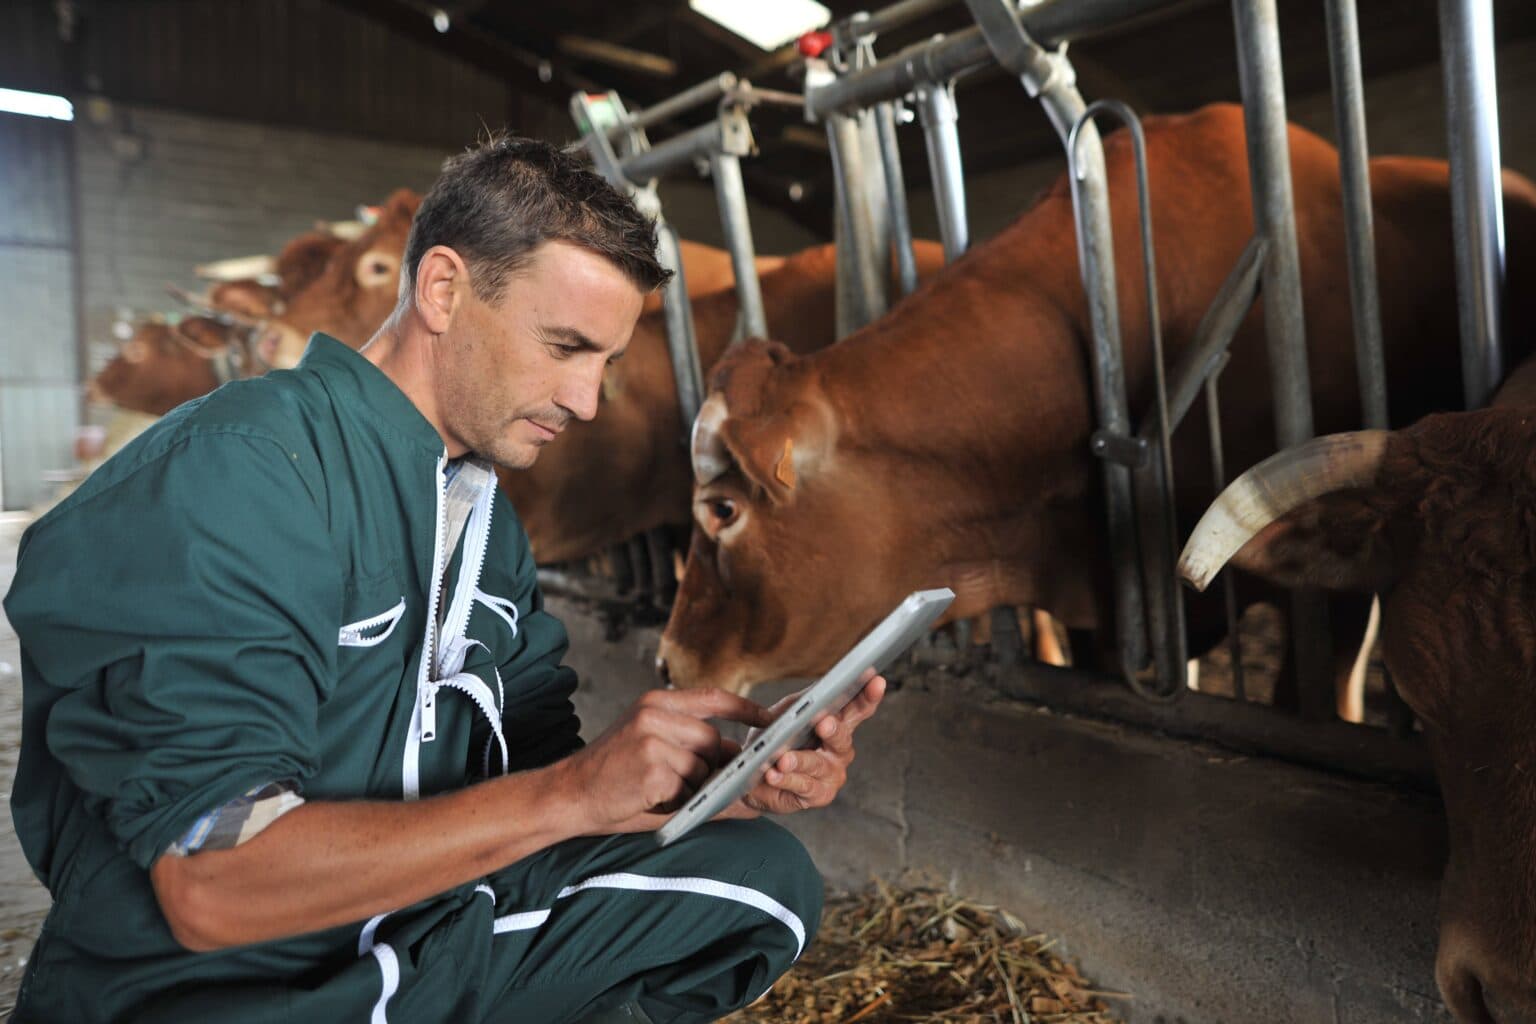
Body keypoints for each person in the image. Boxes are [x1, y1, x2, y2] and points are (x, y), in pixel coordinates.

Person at [3, 135, 885, 1023]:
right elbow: (212, 884)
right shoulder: (242, 470)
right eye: (565, 346)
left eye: (604, 364)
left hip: (413, 931)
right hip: (229, 988)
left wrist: (712, 779)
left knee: (759, 882)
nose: (584, 401)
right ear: (443, 289)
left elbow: (536, 762)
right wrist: (572, 795)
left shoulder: (480, 509)